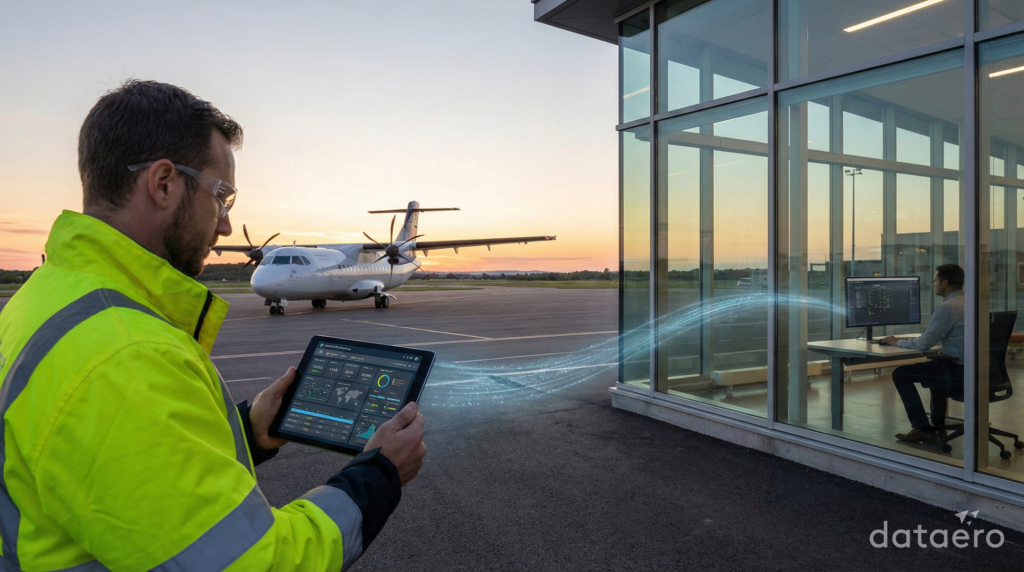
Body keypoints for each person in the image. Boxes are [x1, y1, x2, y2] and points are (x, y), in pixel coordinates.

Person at [0, 80, 426, 571]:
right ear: (163, 184)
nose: (224, 224)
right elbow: (253, 563)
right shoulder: (128, 355)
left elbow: (124, 467)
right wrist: (379, 474)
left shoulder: (49, 296)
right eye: (222, 195)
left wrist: (247, 431)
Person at [881, 264, 965, 445]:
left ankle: (922, 429)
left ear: (944, 283)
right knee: (936, 365)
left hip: (958, 372)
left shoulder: (947, 308)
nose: (932, 283)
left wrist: (898, 341)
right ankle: (938, 422)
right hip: (978, 370)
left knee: (901, 374)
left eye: (934, 280)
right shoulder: (971, 302)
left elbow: (925, 343)